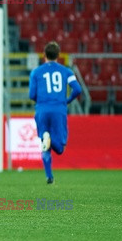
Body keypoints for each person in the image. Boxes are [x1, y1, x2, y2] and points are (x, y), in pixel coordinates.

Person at [29, 41, 82, 184]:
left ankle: (49, 176)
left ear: (43, 55)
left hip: (42, 109)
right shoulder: (66, 71)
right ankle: (49, 140)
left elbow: (31, 94)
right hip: (59, 109)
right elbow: (77, 89)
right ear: (59, 55)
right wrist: (67, 100)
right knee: (59, 149)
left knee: (44, 143)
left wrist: (41, 100)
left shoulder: (36, 72)